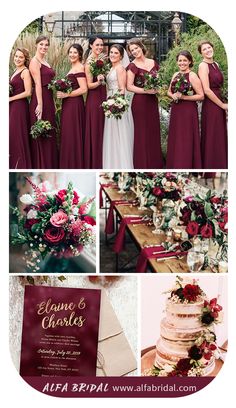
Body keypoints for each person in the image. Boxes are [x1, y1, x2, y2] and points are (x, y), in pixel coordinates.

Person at [127, 38, 163, 169]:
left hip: (152, 101)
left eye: (136, 48)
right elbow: (129, 86)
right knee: (141, 133)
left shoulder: (153, 62)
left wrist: (157, 88)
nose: (135, 51)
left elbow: (158, 79)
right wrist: (145, 91)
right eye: (132, 50)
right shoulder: (132, 66)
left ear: (141, 47)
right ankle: (142, 164)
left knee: (153, 131)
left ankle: (155, 163)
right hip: (140, 103)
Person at [166, 50, 204, 169]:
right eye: (180, 60)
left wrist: (183, 97)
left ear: (190, 61)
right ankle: (175, 164)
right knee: (176, 138)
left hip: (188, 111)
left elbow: (201, 95)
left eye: (184, 60)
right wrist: (172, 96)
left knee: (186, 138)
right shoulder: (175, 74)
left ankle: (185, 163)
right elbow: (168, 91)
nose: (182, 63)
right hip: (176, 110)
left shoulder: (192, 75)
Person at [29, 35, 58, 169]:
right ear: (36, 45)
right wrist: (40, 104)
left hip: (48, 98)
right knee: (41, 130)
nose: (44, 47)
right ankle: (42, 164)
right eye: (41, 44)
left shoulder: (45, 61)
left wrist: (52, 101)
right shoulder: (35, 62)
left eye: (46, 45)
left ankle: (50, 162)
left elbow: (50, 83)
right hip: (40, 98)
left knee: (49, 131)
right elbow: (38, 84)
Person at [102, 44, 134, 169]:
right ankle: (112, 161)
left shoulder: (120, 68)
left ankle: (120, 163)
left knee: (118, 133)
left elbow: (122, 89)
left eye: (116, 53)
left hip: (116, 104)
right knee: (112, 134)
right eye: (111, 52)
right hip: (109, 100)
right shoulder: (111, 68)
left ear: (121, 56)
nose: (112, 55)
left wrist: (115, 104)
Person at [198, 40, 228, 169]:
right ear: (201, 53)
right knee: (212, 134)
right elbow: (206, 90)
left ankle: (221, 162)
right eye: (204, 49)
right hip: (211, 103)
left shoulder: (216, 64)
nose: (207, 50)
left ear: (213, 48)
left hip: (219, 99)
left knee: (220, 134)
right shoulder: (203, 66)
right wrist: (222, 105)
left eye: (209, 47)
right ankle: (211, 164)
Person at [57, 44, 87, 169]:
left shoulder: (79, 67)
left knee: (72, 134)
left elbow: (84, 89)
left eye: (75, 52)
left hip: (74, 105)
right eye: (70, 52)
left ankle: (73, 164)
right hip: (69, 104)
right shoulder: (73, 67)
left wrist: (66, 94)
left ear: (80, 54)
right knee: (68, 135)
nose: (72, 54)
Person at [84, 37, 107, 169]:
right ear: (91, 45)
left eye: (101, 45)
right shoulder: (89, 63)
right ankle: (96, 161)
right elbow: (88, 85)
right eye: (97, 45)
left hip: (103, 95)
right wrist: (98, 82)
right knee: (96, 128)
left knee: (103, 128)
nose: (99, 47)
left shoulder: (102, 60)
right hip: (94, 99)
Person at [9, 48, 32, 169]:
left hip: (19, 108)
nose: (17, 59)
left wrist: (10, 99)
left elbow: (28, 92)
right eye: (16, 56)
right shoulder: (14, 70)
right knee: (11, 135)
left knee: (17, 135)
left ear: (25, 59)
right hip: (12, 107)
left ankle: (20, 164)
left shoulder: (25, 72)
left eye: (21, 57)